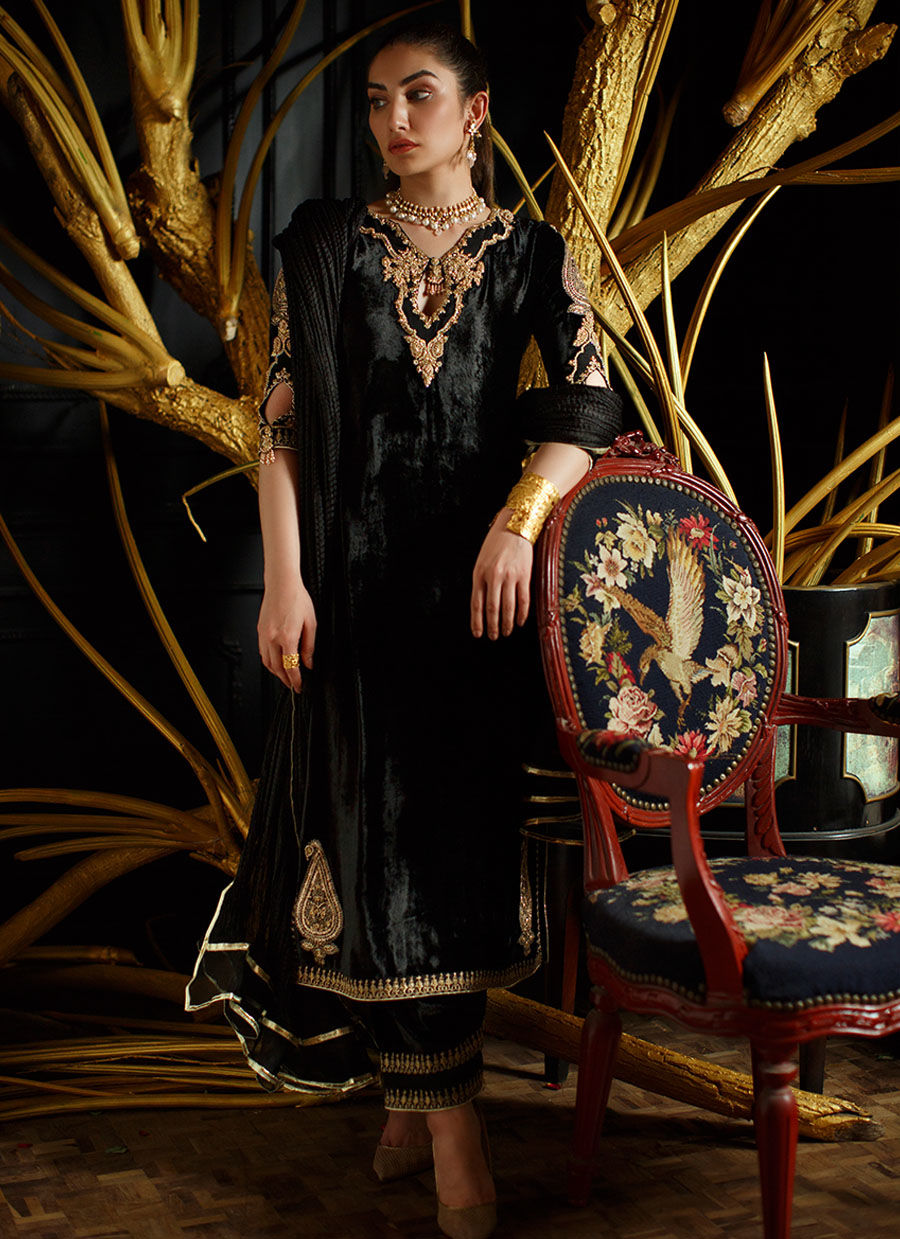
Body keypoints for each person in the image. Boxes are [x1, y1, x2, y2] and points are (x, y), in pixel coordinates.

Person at [185, 21, 623, 1239]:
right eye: (378, 100)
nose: (393, 120)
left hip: (478, 609)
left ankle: (419, 1101)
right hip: (351, 601)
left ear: (474, 113)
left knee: (450, 853)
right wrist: (283, 583)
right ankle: (449, 1123)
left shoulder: (533, 255)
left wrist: (519, 525)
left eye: (418, 96)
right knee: (365, 850)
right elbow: (280, 427)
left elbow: (586, 411)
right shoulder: (325, 246)